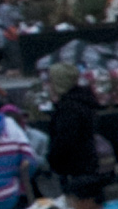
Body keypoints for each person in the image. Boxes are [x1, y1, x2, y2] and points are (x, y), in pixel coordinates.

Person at [44, 63, 105, 199]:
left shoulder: (68, 110)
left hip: (74, 170)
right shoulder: (84, 102)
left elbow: (64, 142)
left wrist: (52, 160)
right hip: (87, 164)